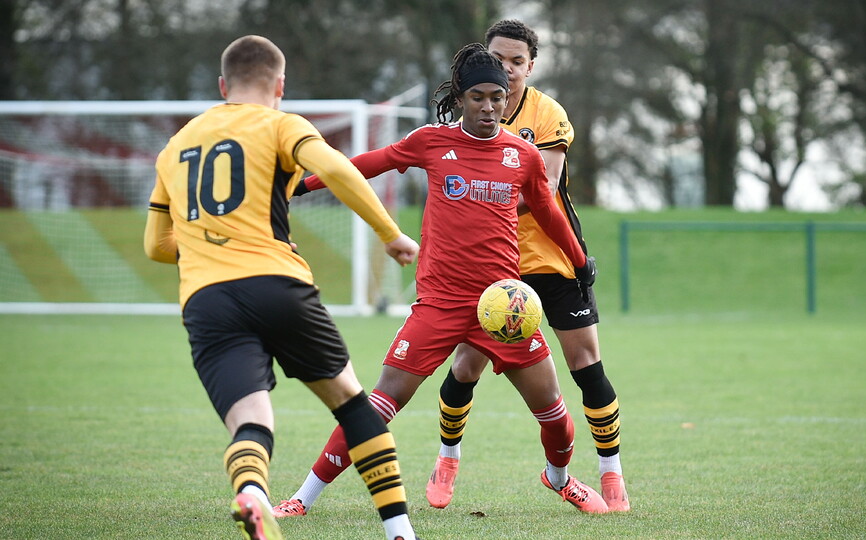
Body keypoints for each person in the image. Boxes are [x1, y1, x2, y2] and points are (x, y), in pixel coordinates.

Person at [271, 42, 607, 517]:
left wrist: (578, 259)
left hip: (504, 308)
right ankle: (303, 499)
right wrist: (301, 187)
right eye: (478, 97)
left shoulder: (523, 155)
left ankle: (559, 478)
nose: (491, 106)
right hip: (441, 302)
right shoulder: (431, 141)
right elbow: (367, 164)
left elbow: (549, 213)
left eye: (498, 96)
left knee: (554, 415)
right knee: (378, 403)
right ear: (460, 98)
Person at [143, 35, 420, 540]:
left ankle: (252, 492)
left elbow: (156, 247)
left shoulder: (176, 146)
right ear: (280, 85)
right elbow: (334, 167)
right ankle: (400, 532)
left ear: (223, 85)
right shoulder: (280, 124)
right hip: (276, 282)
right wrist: (391, 234)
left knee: (250, 420)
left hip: (207, 301)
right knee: (352, 404)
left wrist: (211, 241)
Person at [423, 20, 631, 512]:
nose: (509, 70)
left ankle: (611, 474)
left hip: (552, 259)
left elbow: (547, 187)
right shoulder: (469, 109)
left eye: (518, 62)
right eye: (501, 59)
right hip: (491, 266)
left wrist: (482, 196)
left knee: (587, 365)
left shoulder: (547, 114)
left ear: (531, 66)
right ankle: (447, 459)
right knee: (467, 364)